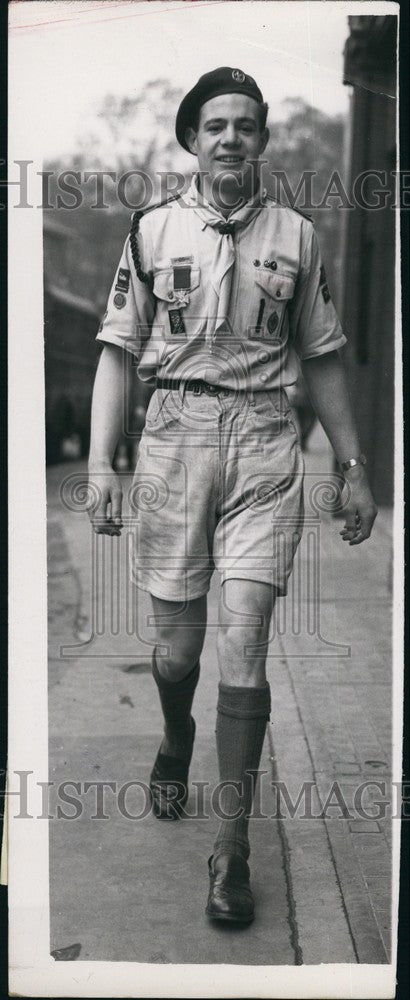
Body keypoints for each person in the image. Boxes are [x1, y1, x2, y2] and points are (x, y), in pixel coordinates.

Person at [87, 67, 377, 925]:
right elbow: (113, 349)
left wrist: (354, 466)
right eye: (214, 125)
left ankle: (232, 849)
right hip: (174, 440)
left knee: (245, 640)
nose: (230, 139)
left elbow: (321, 354)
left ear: (261, 140)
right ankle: (176, 738)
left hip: (263, 443)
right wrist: (103, 463)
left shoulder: (297, 234)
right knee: (177, 653)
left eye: (246, 126)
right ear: (192, 138)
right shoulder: (150, 230)